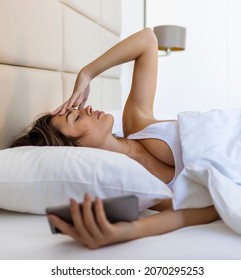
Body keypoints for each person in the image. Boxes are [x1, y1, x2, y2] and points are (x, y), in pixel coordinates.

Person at [11, 28, 218, 249]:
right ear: (75, 151)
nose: (87, 107)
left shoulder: (137, 123)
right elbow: (198, 211)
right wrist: (128, 231)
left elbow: (148, 40)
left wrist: (87, 73)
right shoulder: (135, 185)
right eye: (77, 116)